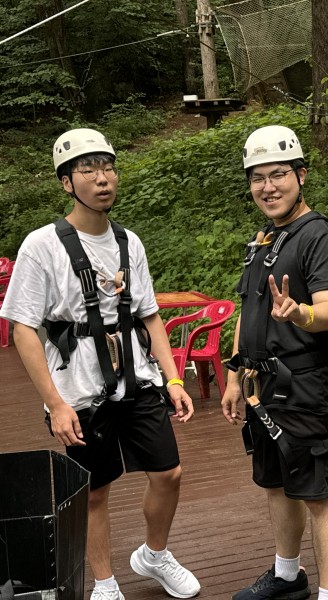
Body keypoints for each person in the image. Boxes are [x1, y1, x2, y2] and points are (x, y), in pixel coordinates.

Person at [0, 128, 201, 599]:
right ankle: (105, 583)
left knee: (168, 472)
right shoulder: (42, 245)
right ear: (67, 182)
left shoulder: (129, 243)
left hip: (138, 379)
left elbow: (149, 315)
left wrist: (173, 377)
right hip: (79, 388)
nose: (102, 178)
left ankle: (153, 555)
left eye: (107, 167)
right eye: (87, 170)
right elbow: (22, 328)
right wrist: (54, 404)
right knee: (95, 490)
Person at [221, 125, 328, 600]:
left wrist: (300, 312)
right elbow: (248, 308)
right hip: (264, 384)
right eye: (257, 178)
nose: (268, 186)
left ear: (301, 175)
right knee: (277, 483)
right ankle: (286, 576)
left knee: (319, 493)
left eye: (278, 175)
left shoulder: (318, 238)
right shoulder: (263, 240)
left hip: (306, 381)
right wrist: (236, 372)